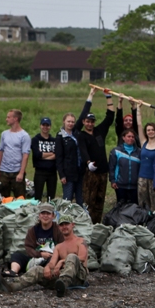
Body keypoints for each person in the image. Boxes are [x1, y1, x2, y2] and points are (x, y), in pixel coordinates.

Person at [0, 214, 88, 297]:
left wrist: (62, 261)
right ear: (59, 227)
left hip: (78, 276)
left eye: (66, 224)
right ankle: (11, 287)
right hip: (60, 276)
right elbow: (52, 263)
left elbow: (82, 258)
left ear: (72, 225)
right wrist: (47, 268)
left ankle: (63, 283)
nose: (64, 227)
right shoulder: (59, 246)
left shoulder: (80, 241)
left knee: (72, 256)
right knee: (37, 269)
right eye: (61, 225)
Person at [76, 87, 115, 222]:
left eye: (92, 121)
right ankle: (87, 223)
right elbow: (83, 150)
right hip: (90, 172)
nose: (90, 124)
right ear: (83, 122)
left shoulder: (99, 131)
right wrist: (88, 163)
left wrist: (108, 97)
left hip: (103, 172)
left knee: (100, 200)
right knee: (89, 201)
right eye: (87, 121)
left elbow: (110, 117)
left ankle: (97, 224)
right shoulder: (81, 135)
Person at [4, 202, 64, 277]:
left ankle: (43, 273)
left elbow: (63, 246)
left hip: (51, 258)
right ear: (39, 215)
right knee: (16, 255)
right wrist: (40, 254)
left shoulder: (58, 230)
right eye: (43, 213)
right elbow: (28, 247)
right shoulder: (33, 230)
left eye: (48, 214)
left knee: (52, 260)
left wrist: (53, 255)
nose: (45, 216)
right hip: (36, 258)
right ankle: (13, 272)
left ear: (53, 216)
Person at [0, 109, 31, 199]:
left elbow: (25, 155)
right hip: (4, 171)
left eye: (8, 117)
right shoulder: (4, 134)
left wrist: (21, 173)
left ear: (15, 119)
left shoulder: (24, 136)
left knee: (20, 198)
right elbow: (0, 151)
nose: (6, 119)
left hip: (17, 171)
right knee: (2, 198)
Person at [135, 105, 155, 211]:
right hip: (142, 178)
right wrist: (138, 108)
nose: (150, 131)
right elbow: (139, 124)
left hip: (154, 180)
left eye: (152, 130)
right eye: (148, 130)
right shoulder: (143, 143)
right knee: (143, 204)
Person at [108, 128, 141, 205]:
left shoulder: (139, 152)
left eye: (133, 137)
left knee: (134, 208)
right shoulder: (116, 151)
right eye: (128, 136)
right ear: (123, 138)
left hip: (135, 186)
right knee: (121, 208)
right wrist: (112, 180)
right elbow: (111, 167)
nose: (131, 138)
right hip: (120, 185)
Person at [55, 112, 82, 203]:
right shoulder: (60, 136)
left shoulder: (77, 133)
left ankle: (79, 216)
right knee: (67, 198)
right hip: (68, 172)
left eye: (72, 122)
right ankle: (65, 217)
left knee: (80, 198)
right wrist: (62, 175)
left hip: (79, 171)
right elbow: (59, 157)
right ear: (64, 122)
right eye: (68, 121)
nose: (70, 124)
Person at [30, 117, 58, 201]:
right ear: (40, 126)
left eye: (47, 125)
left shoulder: (54, 140)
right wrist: (51, 154)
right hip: (40, 171)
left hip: (52, 172)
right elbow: (37, 154)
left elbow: (57, 155)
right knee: (38, 196)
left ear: (50, 126)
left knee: (51, 197)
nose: (45, 127)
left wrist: (43, 155)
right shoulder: (35, 140)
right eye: (43, 125)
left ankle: (50, 212)